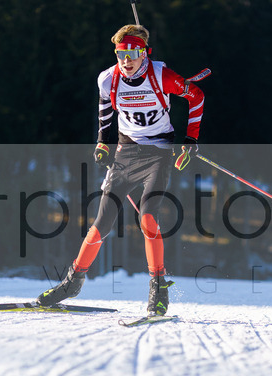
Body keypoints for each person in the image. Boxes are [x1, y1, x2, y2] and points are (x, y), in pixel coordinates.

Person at [37, 24, 204, 315]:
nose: (126, 60)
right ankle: (72, 282)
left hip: (158, 153)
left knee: (148, 217)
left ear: (144, 53)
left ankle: (159, 287)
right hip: (125, 154)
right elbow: (104, 110)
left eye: (133, 53)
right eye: (120, 54)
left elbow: (196, 96)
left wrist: (190, 141)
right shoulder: (107, 80)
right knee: (102, 222)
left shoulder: (162, 76)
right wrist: (103, 143)